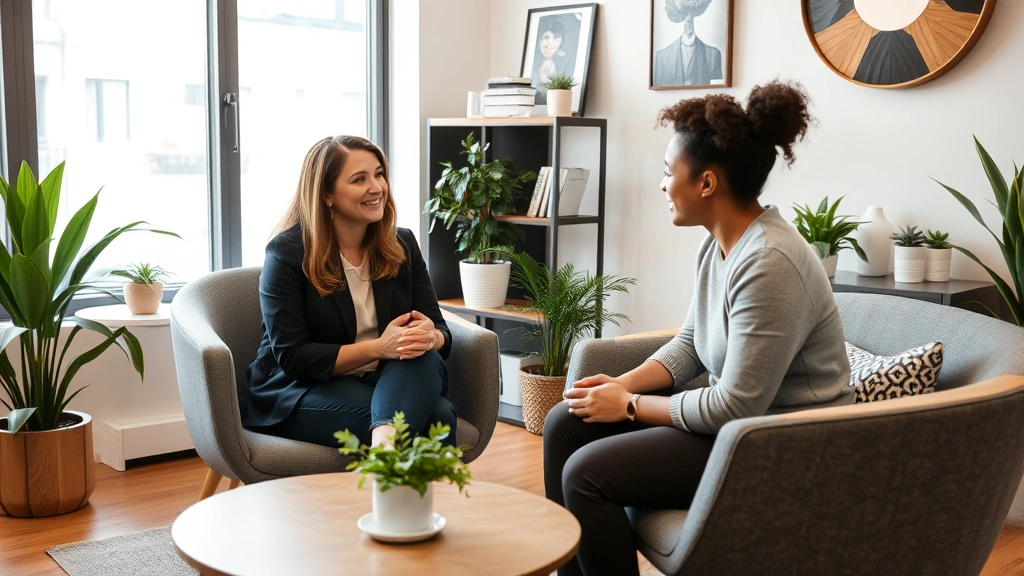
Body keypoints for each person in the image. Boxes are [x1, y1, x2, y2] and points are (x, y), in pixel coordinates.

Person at [543, 81, 854, 576]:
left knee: (586, 475)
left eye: (669, 173)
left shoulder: (770, 261)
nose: (663, 185)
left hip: (781, 445)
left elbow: (737, 404)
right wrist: (622, 384)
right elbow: (689, 344)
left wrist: (627, 406)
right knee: (565, 423)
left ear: (706, 183)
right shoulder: (718, 246)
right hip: (737, 430)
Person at [242, 135, 456, 450]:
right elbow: (293, 356)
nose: (377, 187)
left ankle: (383, 451)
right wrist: (381, 347)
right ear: (326, 194)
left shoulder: (403, 245)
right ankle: (397, 476)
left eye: (379, 174)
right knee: (438, 416)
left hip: (384, 380)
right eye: (359, 179)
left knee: (423, 356)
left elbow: (439, 327)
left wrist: (431, 337)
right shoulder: (287, 253)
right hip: (301, 387)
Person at [653, 0, 723, 86]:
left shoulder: (713, 55)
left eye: (691, 14)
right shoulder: (662, 57)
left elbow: (717, 89)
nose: (688, 20)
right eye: (685, 15)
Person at [531, 18, 573, 104]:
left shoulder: (564, 68)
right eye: (546, 37)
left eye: (555, 38)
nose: (550, 43)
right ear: (539, 40)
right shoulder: (532, 69)